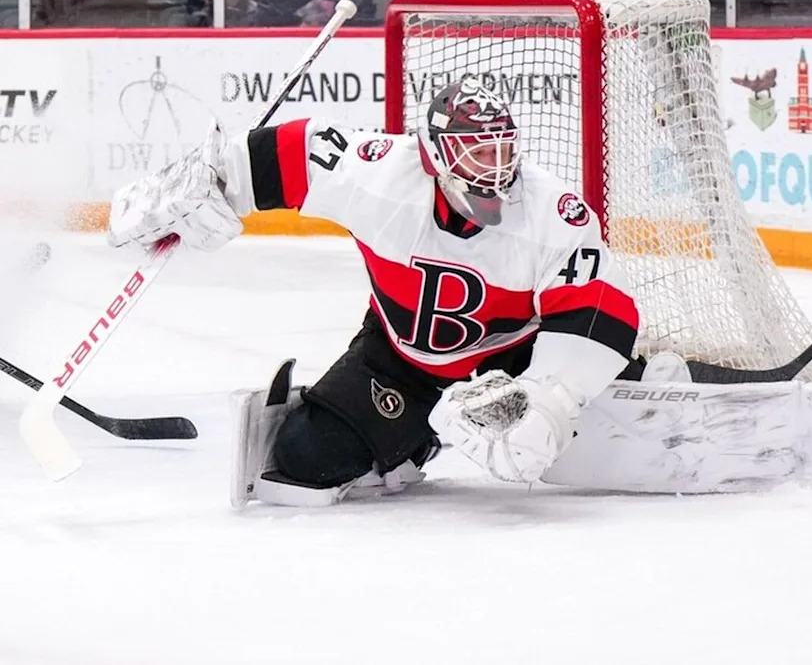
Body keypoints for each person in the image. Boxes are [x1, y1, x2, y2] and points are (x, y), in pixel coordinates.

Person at [106, 77, 641, 506]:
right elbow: (286, 153)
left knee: (576, 406)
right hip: (398, 357)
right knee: (302, 462)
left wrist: (552, 394)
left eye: (503, 152)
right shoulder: (379, 173)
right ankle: (416, 438)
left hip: (510, 359)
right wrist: (203, 181)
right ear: (433, 157)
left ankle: (634, 380)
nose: (495, 170)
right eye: (476, 155)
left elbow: (597, 308)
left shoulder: (552, 211)